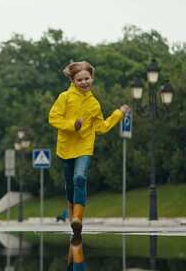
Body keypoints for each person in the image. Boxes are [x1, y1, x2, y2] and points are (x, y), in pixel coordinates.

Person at [48, 61, 130, 236]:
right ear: (73, 80)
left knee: (79, 178)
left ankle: (78, 218)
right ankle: (72, 215)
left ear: (92, 78)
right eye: (80, 80)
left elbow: (101, 127)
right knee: (70, 185)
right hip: (66, 148)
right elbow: (53, 118)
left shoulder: (94, 104)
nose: (84, 82)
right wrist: (73, 125)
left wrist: (119, 114)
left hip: (85, 146)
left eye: (87, 78)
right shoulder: (65, 97)